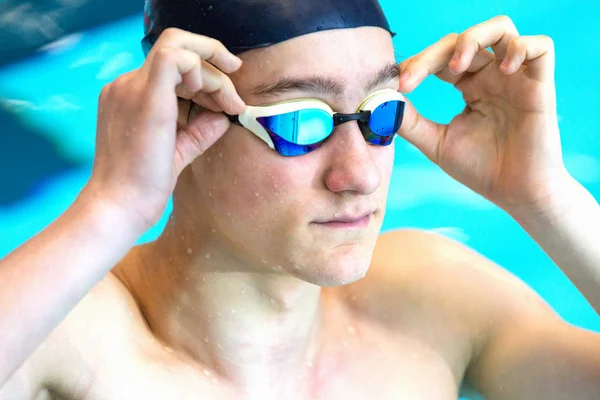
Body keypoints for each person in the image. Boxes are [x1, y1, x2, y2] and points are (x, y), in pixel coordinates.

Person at [1, 0, 599, 398]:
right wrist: (110, 207)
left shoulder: (428, 301)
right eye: (300, 122)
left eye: (379, 113)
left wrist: (544, 197)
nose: (358, 174)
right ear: (178, 124)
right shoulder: (78, 335)